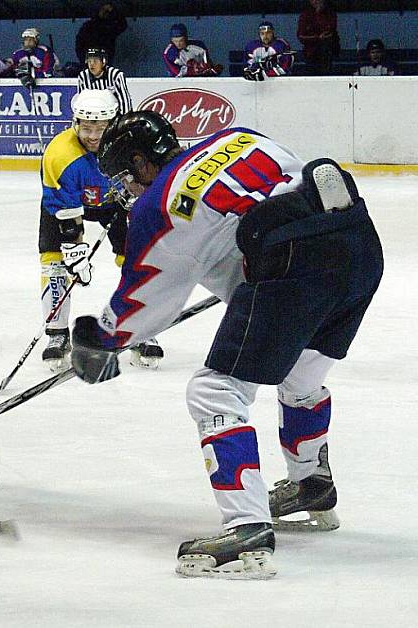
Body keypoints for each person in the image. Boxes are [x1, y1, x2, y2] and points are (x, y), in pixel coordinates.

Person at [70, 110, 382, 579]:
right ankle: (311, 484)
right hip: (359, 245)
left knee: (214, 392)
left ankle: (246, 528)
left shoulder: (158, 206)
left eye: (123, 175)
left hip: (294, 265)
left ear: (139, 162)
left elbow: (144, 301)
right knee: (300, 374)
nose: (125, 187)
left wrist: (102, 337)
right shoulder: (237, 137)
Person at [38, 89, 162, 371]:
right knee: (54, 264)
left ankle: (141, 327)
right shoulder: (60, 154)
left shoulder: (132, 147)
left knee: (137, 261)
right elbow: (64, 210)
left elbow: (152, 183)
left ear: (113, 124)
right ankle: (57, 334)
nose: (93, 135)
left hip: (114, 204)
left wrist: (137, 196)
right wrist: (73, 250)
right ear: (75, 124)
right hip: (67, 207)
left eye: (101, 127)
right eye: (87, 127)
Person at [77, 47, 132, 115]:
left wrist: (123, 119)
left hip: (115, 115)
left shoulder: (115, 75)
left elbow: (124, 99)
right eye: (89, 61)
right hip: (92, 116)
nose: (91, 64)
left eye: (95, 61)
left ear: (103, 62)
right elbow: (81, 101)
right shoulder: (83, 76)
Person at [74, 2, 128, 68]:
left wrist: (113, 10)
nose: (104, 13)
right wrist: (85, 61)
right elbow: (79, 45)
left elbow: (123, 25)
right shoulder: (88, 27)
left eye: (107, 12)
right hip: (88, 64)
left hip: (105, 64)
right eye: (102, 10)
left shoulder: (110, 28)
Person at [297, 0, 340, 76]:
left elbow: (330, 31)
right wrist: (317, 38)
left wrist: (319, 14)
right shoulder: (305, 14)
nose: (316, 2)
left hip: (327, 52)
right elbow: (301, 36)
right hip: (310, 52)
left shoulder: (330, 13)